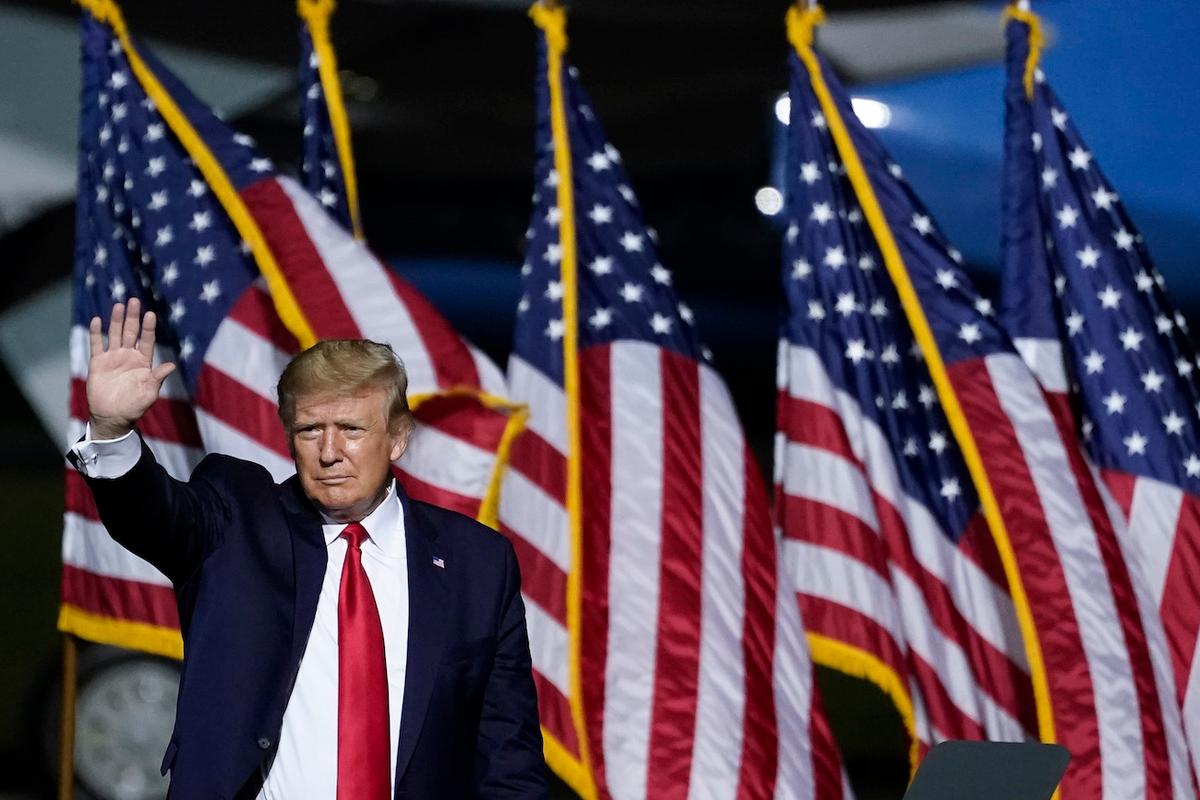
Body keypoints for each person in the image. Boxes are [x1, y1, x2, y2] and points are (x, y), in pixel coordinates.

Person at [68, 298, 547, 799]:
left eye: (352, 430)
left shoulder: (476, 562)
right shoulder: (238, 523)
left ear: (398, 437)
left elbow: (506, 751)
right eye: (310, 429)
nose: (329, 452)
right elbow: (155, 517)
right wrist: (112, 432)